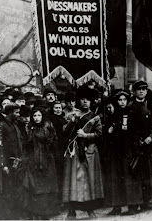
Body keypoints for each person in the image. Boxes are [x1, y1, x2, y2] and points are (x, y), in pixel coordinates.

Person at [62, 86, 104, 220]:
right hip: (74, 151)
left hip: (89, 151)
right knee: (73, 181)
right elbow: (65, 132)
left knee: (89, 181)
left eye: (88, 100)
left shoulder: (95, 117)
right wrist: (72, 122)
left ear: (91, 102)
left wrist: (86, 135)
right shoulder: (72, 115)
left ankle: (90, 209)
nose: (85, 102)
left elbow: (99, 134)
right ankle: (71, 210)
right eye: (82, 99)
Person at [103, 90, 144, 215]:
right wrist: (109, 131)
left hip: (128, 149)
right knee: (115, 178)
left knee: (129, 176)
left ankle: (133, 204)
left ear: (127, 101)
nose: (122, 102)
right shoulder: (112, 115)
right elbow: (107, 133)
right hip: (115, 150)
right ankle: (117, 206)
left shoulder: (132, 114)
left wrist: (135, 148)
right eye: (120, 100)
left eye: (124, 100)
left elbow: (137, 132)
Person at [128, 80, 152, 208]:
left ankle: (149, 197)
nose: (141, 91)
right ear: (134, 92)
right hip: (137, 144)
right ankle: (140, 200)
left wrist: (151, 137)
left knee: (151, 171)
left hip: (150, 143)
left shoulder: (151, 104)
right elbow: (130, 127)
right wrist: (137, 140)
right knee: (138, 172)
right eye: (139, 89)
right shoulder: (130, 106)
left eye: (144, 89)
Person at [23, 106, 59, 219]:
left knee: (48, 186)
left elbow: (53, 141)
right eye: (34, 115)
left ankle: (47, 212)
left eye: (39, 115)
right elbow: (26, 144)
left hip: (47, 159)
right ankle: (36, 212)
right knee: (35, 186)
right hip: (33, 160)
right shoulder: (28, 127)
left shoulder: (48, 126)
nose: (37, 118)